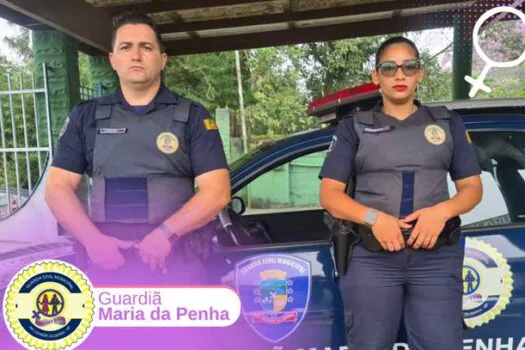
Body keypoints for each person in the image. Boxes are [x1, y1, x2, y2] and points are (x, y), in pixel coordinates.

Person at [319, 36, 483, 350]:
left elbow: (472, 189)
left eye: (408, 66)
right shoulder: (353, 126)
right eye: (389, 67)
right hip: (371, 257)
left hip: (435, 257)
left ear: (420, 73)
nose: (399, 74)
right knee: (369, 344)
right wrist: (374, 219)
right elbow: (330, 195)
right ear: (376, 76)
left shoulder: (447, 123)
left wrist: (441, 212)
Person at [45, 12, 230, 286]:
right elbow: (57, 188)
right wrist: (93, 242)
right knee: (112, 332)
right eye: (125, 47)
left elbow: (217, 191)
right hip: (107, 260)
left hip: (178, 260)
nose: (136, 55)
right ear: (113, 59)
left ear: (162, 59)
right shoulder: (86, 117)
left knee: (185, 332)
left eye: (146, 47)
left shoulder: (191, 116)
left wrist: (165, 234)